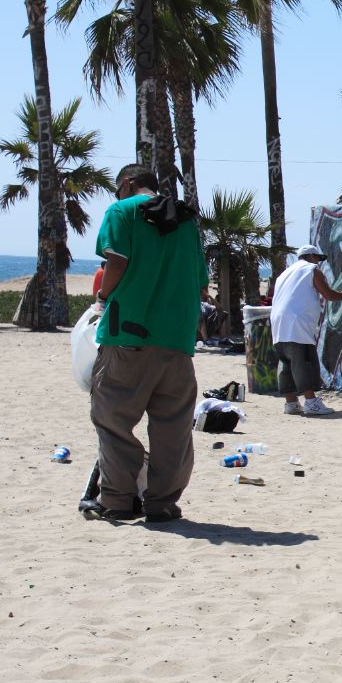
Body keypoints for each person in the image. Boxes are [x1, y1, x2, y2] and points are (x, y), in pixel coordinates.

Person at [86, 164, 208, 524]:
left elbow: (118, 260)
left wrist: (103, 294)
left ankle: (119, 501)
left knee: (113, 419)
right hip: (177, 339)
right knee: (173, 427)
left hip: (127, 335)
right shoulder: (186, 222)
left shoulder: (120, 211)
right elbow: (199, 279)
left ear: (126, 184)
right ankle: (162, 504)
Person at [270, 242, 342, 416]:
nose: (319, 262)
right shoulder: (311, 270)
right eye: (317, 258)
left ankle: (291, 403)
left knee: (286, 362)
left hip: (278, 322)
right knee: (303, 361)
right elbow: (329, 295)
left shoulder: (284, 274)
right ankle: (311, 402)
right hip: (297, 322)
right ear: (310, 257)